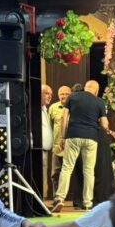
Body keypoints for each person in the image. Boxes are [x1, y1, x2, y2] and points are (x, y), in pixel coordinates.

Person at [50, 80, 108, 214]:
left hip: (73, 135)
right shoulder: (99, 101)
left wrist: (62, 137)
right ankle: (88, 203)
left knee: (67, 168)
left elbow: (64, 117)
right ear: (96, 90)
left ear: (85, 87)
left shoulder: (73, 96)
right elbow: (104, 124)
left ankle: (59, 199)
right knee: (89, 171)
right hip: (91, 138)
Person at [47, 84, 71, 194]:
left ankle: (73, 198)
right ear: (58, 95)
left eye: (67, 94)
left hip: (72, 146)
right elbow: (49, 126)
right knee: (55, 173)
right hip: (57, 147)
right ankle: (56, 197)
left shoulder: (74, 107)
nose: (64, 96)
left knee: (71, 173)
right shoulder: (53, 107)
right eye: (62, 94)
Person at [39, 83, 56, 197]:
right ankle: (40, 197)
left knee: (44, 174)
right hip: (38, 148)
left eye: (50, 94)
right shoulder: (35, 109)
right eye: (46, 93)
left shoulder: (45, 109)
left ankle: (42, 197)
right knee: (40, 174)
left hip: (45, 149)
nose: (49, 96)